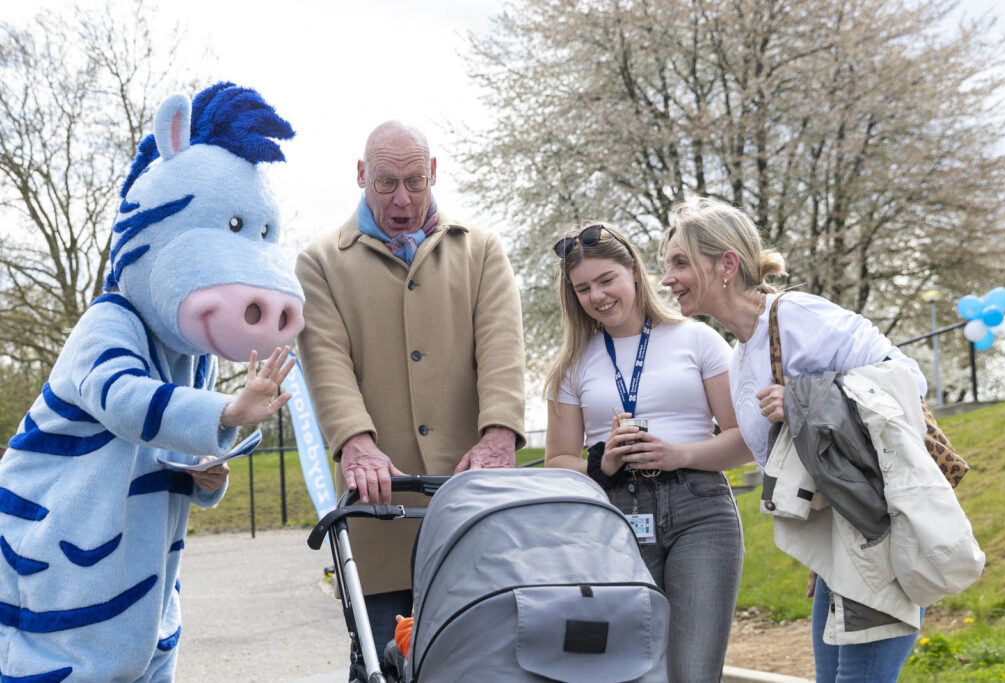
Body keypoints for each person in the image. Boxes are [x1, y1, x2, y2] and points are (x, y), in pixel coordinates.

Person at [661, 196, 930, 682]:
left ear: (727, 263)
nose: (666, 279)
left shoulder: (798, 315)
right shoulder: (741, 353)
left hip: (878, 534)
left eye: (680, 262)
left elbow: (909, 381)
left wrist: (803, 401)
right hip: (837, 542)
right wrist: (818, 543)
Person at [295, 120, 526, 672]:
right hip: (379, 505)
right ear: (360, 176)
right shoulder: (320, 263)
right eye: (386, 183)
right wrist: (355, 443)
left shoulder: (482, 250)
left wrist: (498, 438)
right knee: (386, 664)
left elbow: (502, 347)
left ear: (434, 174)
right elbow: (326, 361)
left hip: (470, 501)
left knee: (480, 665)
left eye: (415, 182)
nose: (402, 198)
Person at [543, 222, 750, 682]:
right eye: (583, 289)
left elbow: (745, 441)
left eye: (605, 280)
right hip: (615, 517)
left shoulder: (697, 338)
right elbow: (557, 462)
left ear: (633, 272)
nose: (597, 296)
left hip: (701, 512)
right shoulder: (572, 365)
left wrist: (679, 454)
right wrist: (603, 462)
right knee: (629, 671)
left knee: (692, 673)